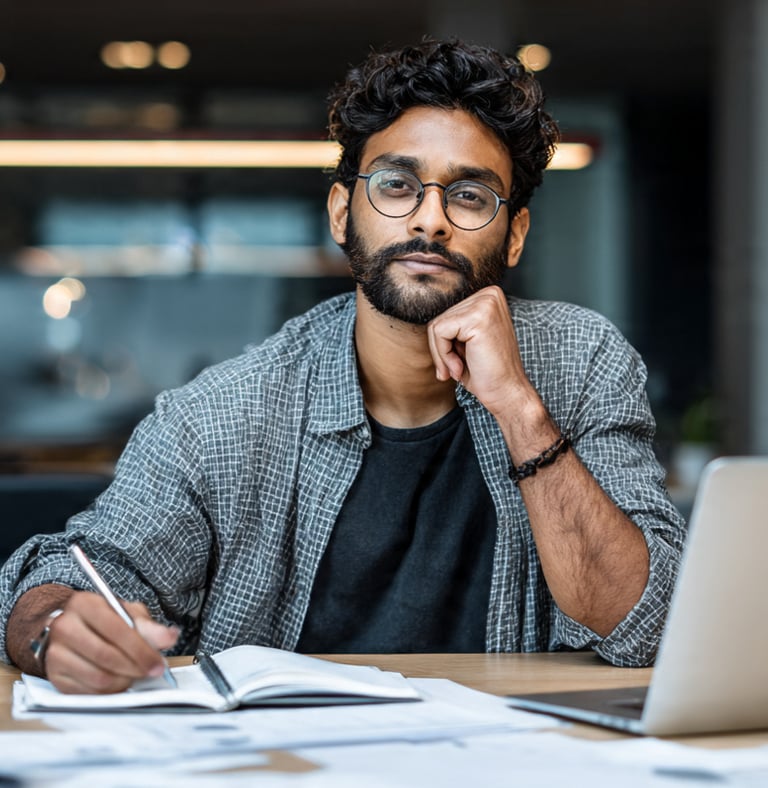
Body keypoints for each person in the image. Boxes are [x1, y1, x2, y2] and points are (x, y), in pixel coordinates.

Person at [0, 38, 685, 694]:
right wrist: (59, 627)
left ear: (515, 236)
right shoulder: (227, 414)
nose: (430, 220)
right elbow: (72, 575)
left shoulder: (580, 360)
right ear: (340, 212)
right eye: (396, 185)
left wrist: (521, 411)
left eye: (470, 196)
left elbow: (647, 626)